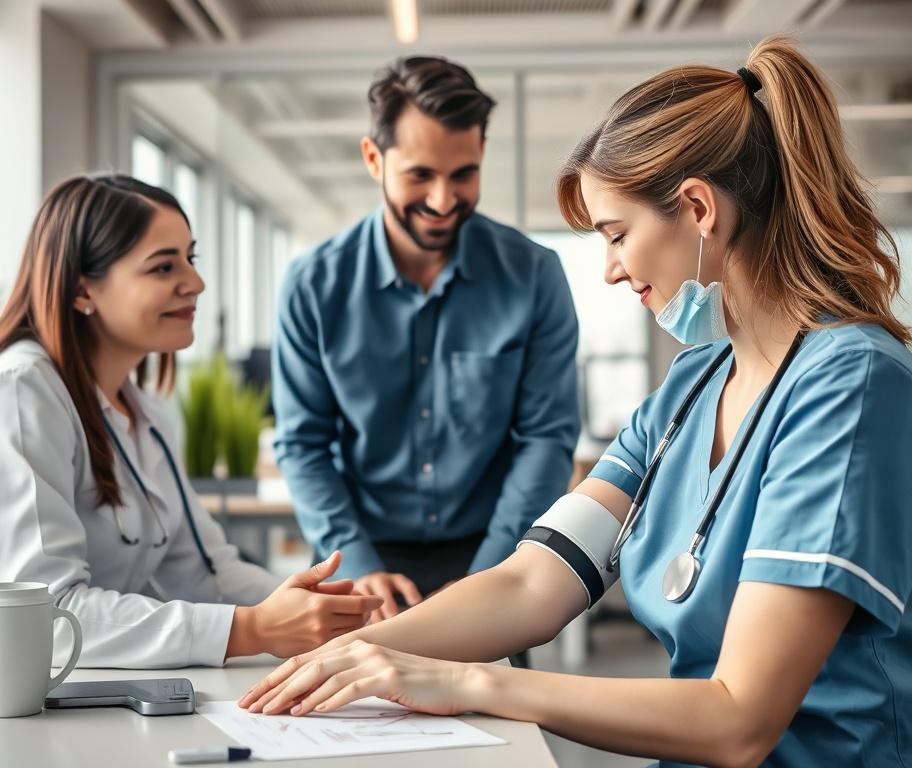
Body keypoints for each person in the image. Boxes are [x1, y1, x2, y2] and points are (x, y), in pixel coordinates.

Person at [240, 36, 912, 767]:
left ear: (696, 208)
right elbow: (533, 581)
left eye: (617, 235)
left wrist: (464, 681)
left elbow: (737, 719)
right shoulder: (690, 389)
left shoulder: (850, 384)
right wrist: (351, 652)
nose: (612, 271)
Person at [0, 175, 381, 667]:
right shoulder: (16, 393)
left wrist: (335, 612)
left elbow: (205, 573)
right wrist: (252, 628)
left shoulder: (145, 411)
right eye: (164, 266)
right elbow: (45, 617)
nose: (195, 283)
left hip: (52, 687)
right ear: (83, 289)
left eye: (191, 259)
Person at [273, 56, 580, 623]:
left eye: (463, 174)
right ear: (374, 158)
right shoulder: (313, 285)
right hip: (362, 558)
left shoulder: (534, 275)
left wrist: (491, 577)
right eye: (420, 175)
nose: (443, 201)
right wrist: (356, 564)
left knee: (493, 710)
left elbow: (546, 437)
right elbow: (303, 444)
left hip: (494, 550)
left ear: (482, 155)